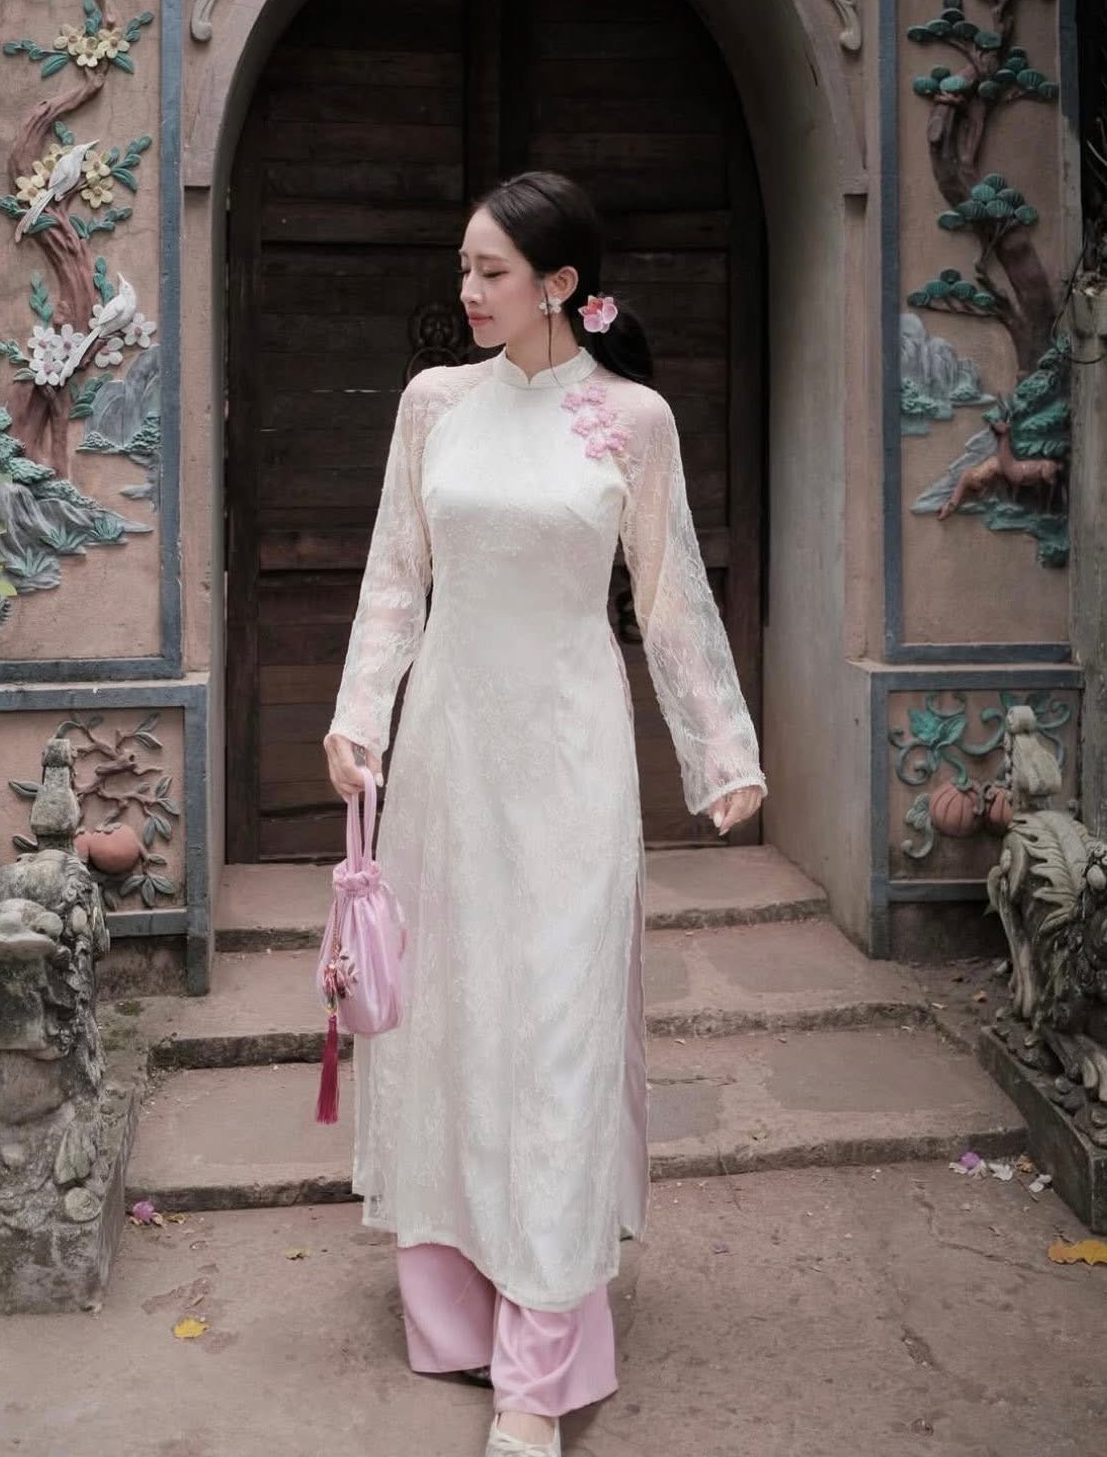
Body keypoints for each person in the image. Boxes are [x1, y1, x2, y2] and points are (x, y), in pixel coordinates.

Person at [323, 169, 766, 1456]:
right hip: (450, 756)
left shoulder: (632, 420)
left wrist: (720, 749)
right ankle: (457, 1313)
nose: (467, 290)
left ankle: (537, 1372)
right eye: (464, 267)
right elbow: (395, 574)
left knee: (560, 1037)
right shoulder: (433, 404)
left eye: (493, 271)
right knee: (454, 1025)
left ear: (562, 284)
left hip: (572, 758)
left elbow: (669, 593)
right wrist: (360, 715)